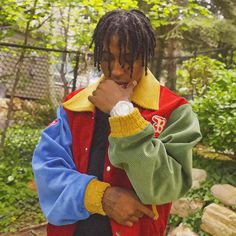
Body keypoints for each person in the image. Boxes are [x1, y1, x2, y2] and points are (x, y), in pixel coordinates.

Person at [32, 9, 202, 236]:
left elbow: (169, 184)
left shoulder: (174, 111)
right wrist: (100, 197)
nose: (116, 71)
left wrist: (122, 114)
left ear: (146, 56)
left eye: (128, 59)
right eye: (106, 59)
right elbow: (46, 170)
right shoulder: (74, 105)